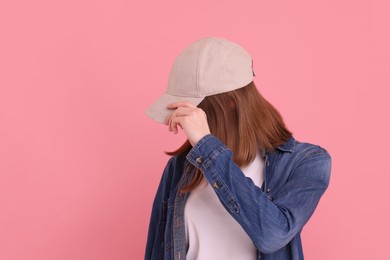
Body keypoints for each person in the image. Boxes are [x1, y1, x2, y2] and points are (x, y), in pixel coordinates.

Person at [144, 37, 331, 260]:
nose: (184, 122)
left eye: (194, 111)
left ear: (230, 104)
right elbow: (156, 251)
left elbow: (272, 234)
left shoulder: (307, 162)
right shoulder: (180, 167)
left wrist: (206, 144)